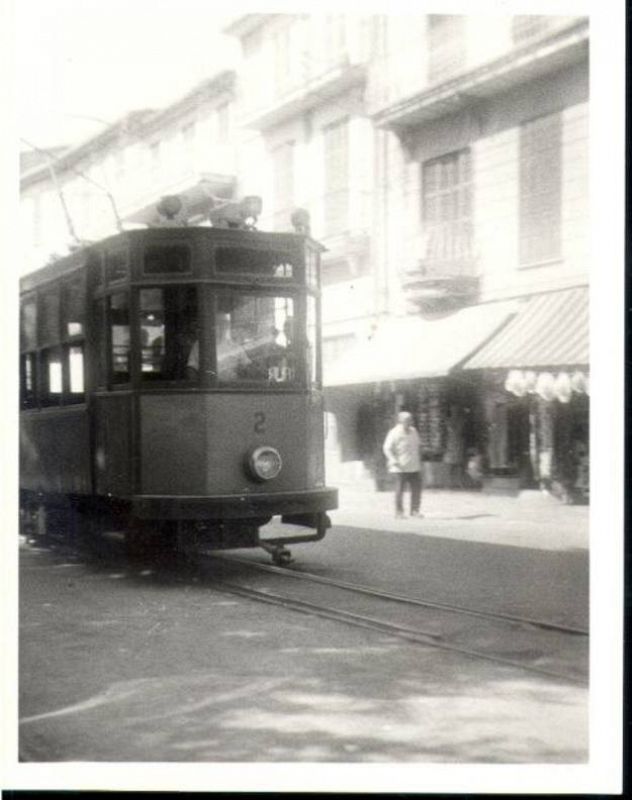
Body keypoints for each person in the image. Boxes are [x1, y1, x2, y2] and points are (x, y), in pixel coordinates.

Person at [382, 411, 423, 518]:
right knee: (400, 490)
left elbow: (418, 445)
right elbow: (387, 448)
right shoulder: (394, 432)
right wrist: (392, 459)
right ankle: (399, 512)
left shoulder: (414, 431)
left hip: (414, 465)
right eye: (407, 420)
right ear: (400, 421)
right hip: (399, 466)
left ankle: (415, 510)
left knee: (416, 489)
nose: (409, 422)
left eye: (410, 419)